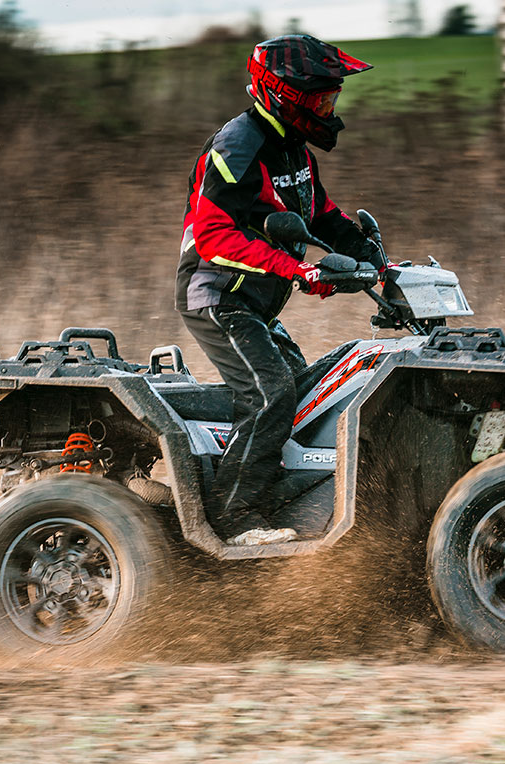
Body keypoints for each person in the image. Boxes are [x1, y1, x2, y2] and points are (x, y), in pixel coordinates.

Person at [175, 34, 384, 546]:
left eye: (330, 98)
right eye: (319, 98)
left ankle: (278, 493)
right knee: (271, 396)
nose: (327, 108)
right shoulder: (238, 146)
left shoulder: (293, 148)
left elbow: (320, 215)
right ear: (281, 91)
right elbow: (213, 236)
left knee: (310, 394)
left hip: (257, 304)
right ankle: (232, 521)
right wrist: (297, 271)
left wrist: (374, 258)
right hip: (218, 296)